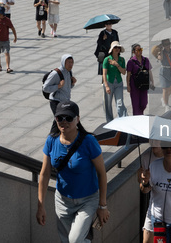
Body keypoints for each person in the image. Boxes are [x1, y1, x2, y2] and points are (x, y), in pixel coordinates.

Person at [36, 101, 110, 243]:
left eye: (69, 118)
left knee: (74, 240)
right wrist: (40, 206)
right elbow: (44, 174)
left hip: (87, 200)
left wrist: (103, 205)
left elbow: (101, 173)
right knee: (67, 241)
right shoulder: (51, 141)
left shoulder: (89, 141)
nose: (64, 122)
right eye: (60, 118)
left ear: (77, 119)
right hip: (62, 201)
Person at [43, 54, 76, 134]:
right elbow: (45, 88)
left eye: (72, 62)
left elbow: (66, 89)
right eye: (68, 62)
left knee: (61, 120)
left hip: (64, 101)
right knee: (59, 120)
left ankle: (55, 137)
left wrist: (72, 83)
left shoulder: (69, 72)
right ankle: (52, 138)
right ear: (63, 62)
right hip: (56, 101)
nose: (70, 65)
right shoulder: (56, 73)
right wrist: (58, 86)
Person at [126, 43, 155, 115]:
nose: (140, 51)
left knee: (144, 103)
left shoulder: (146, 60)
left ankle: (140, 114)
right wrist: (128, 86)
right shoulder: (131, 62)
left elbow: (149, 71)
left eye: (141, 49)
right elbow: (128, 74)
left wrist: (152, 81)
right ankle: (137, 118)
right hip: (134, 84)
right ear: (133, 52)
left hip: (144, 84)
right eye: (138, 50)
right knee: (135, 104)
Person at [102, 41, 127, 122]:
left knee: (120, 103)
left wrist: (116, 64)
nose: (117, 49)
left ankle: (122, 119)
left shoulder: (122, 60)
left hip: (119, 83)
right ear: (112, 49)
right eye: (115, 48)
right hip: (109, 82)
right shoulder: (107, 59)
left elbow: (123, 72)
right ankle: (109, 120)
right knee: (108, 103)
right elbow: (104, 74)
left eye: (118, 48)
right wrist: (106, 86)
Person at [0, 6, 17, 73]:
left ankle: (8, 67)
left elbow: (13, 28)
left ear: (1, 13)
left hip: (5, 39)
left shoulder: (7, 20)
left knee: (7, 53)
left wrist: (15, 37)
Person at [157, 38, 171, 112]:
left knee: (170, 89)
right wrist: (160, 50)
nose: (167, 46)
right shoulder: (161, 52)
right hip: (164, 72)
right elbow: (160, 58)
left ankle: (164, 98)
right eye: (165, 44)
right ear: (163, 45)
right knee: (165, 89)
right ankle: (167, 106)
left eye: (168, 44)